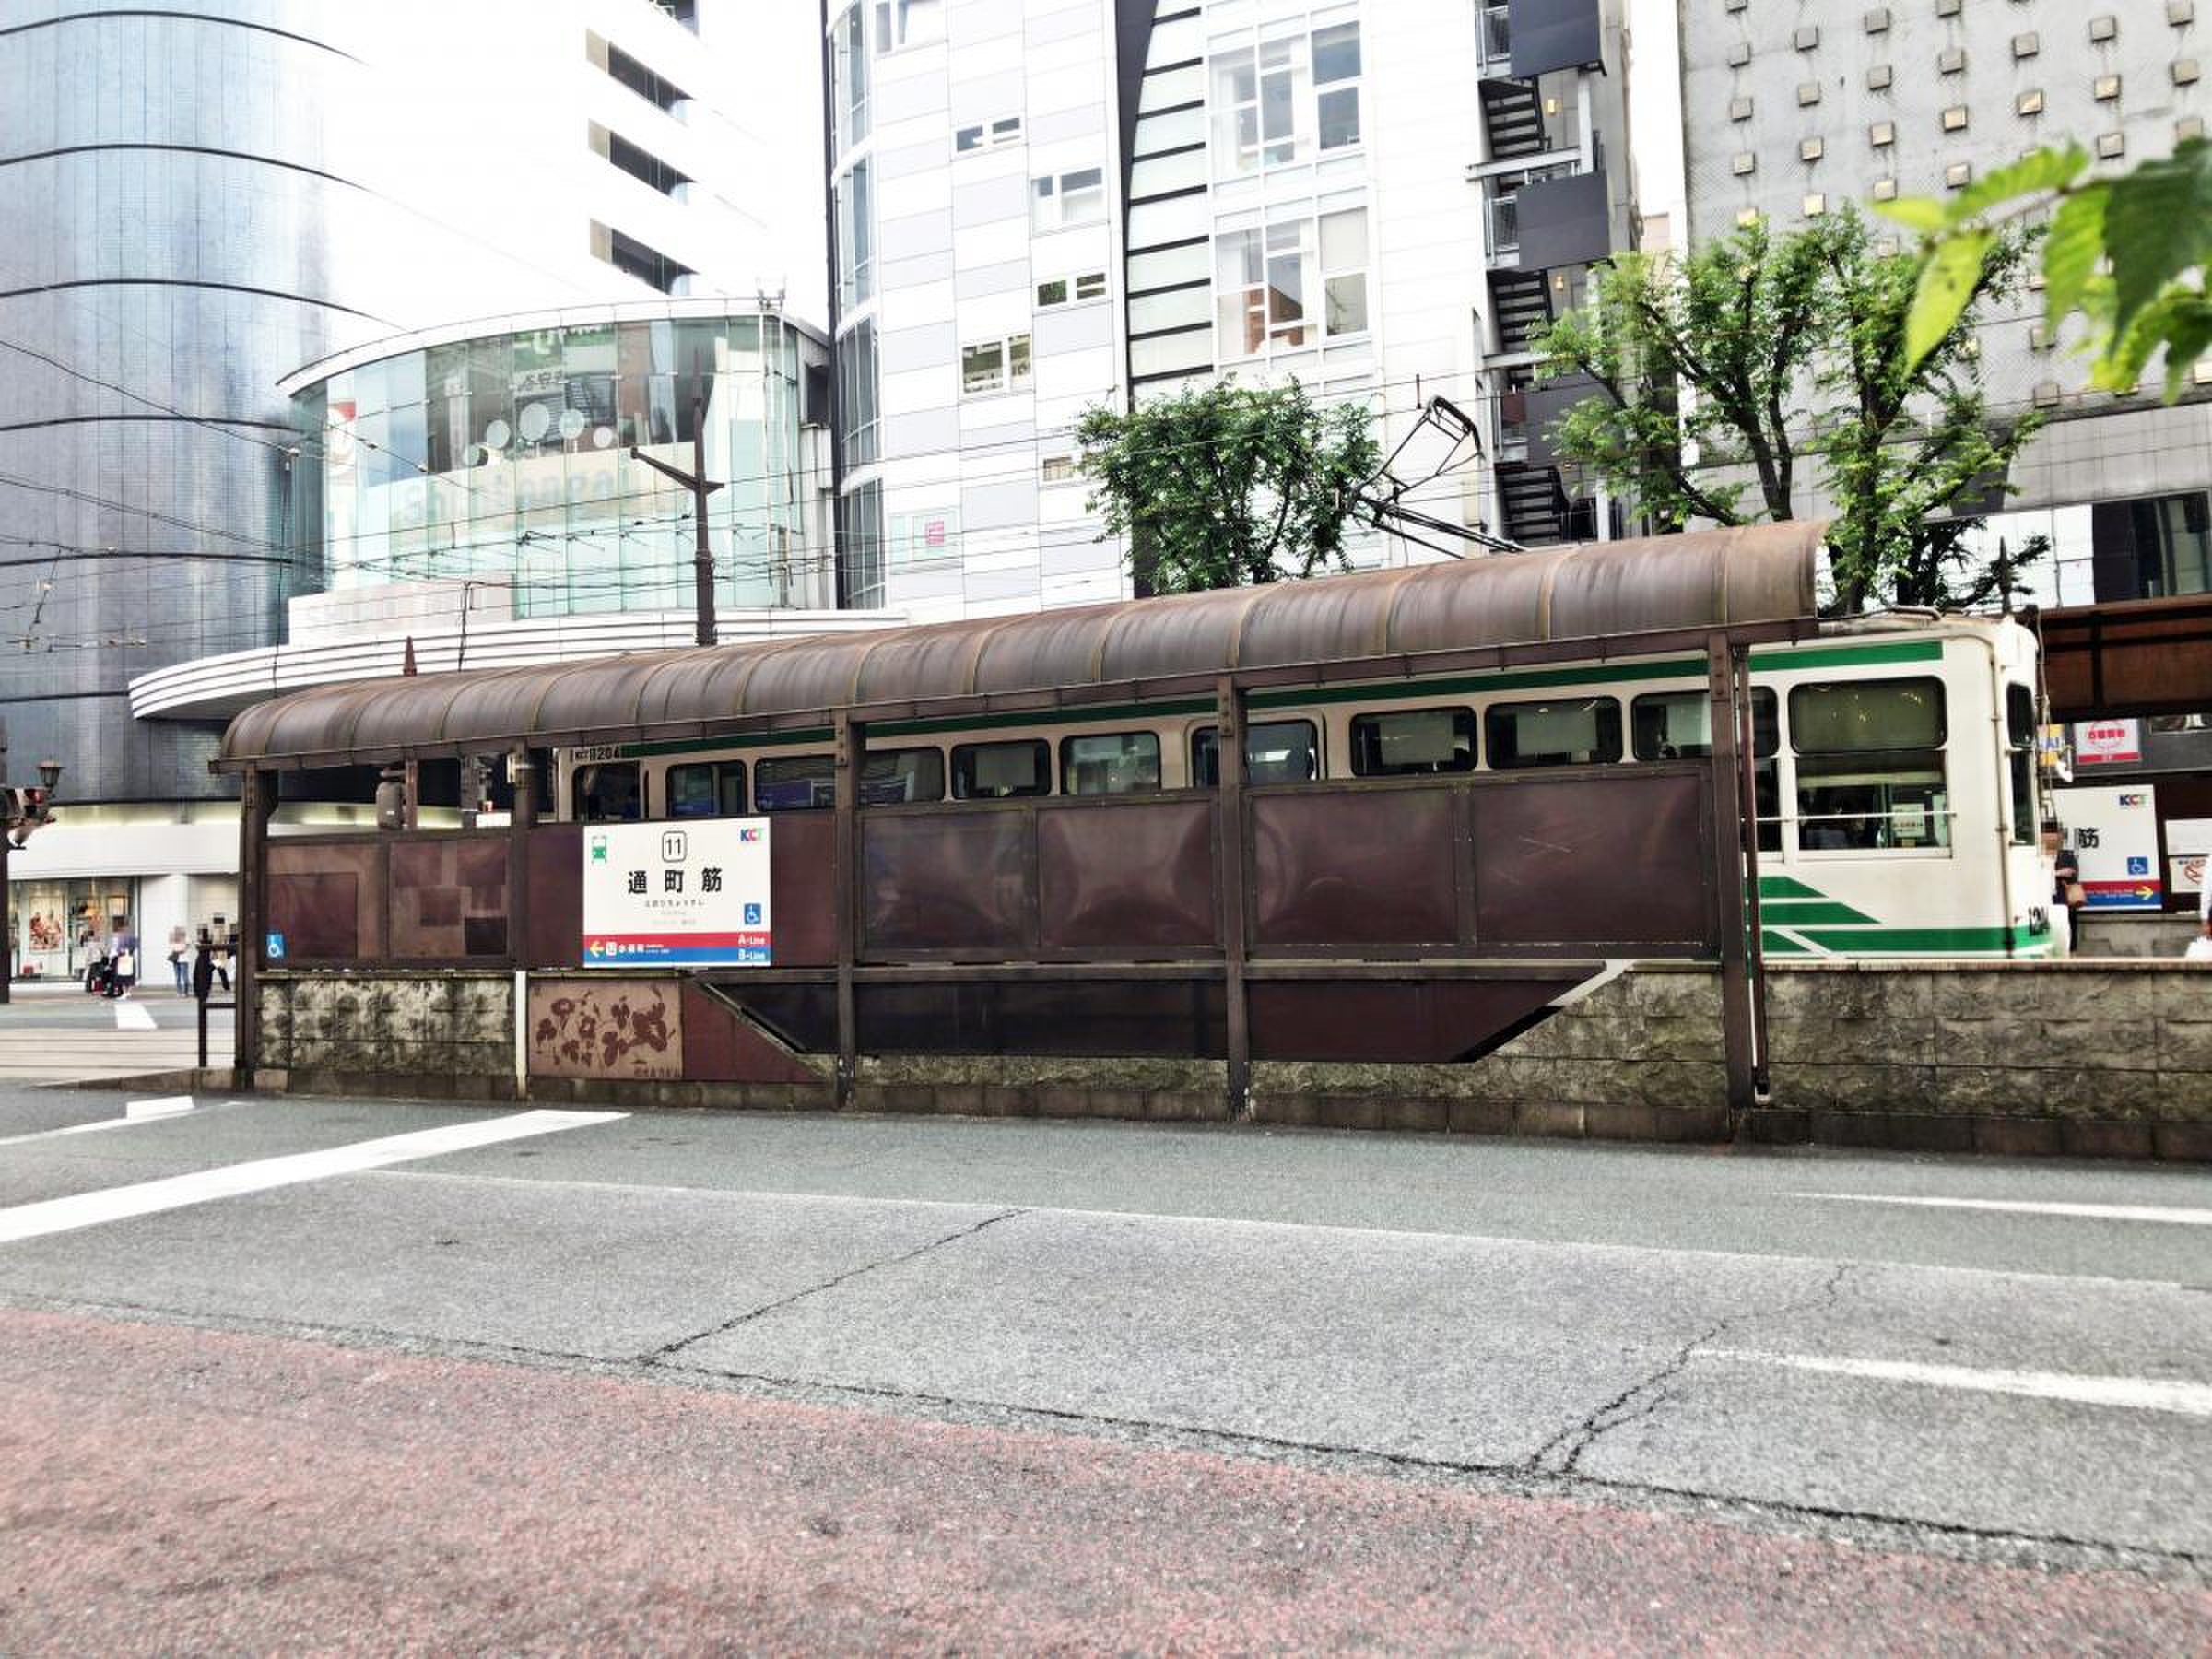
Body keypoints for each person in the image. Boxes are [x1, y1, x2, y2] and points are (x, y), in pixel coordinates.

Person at [168, 924, 189, 994]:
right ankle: (179, 992)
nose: (178, 931)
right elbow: (172, 947)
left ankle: (185, 992)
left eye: (179, 930)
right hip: (176, 959)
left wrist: (178, 948)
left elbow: (184, 948)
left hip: (184, 960)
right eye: (176, 930)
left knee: (185, 977)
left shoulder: (186, 938)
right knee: (177, 977)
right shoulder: (173, 939)